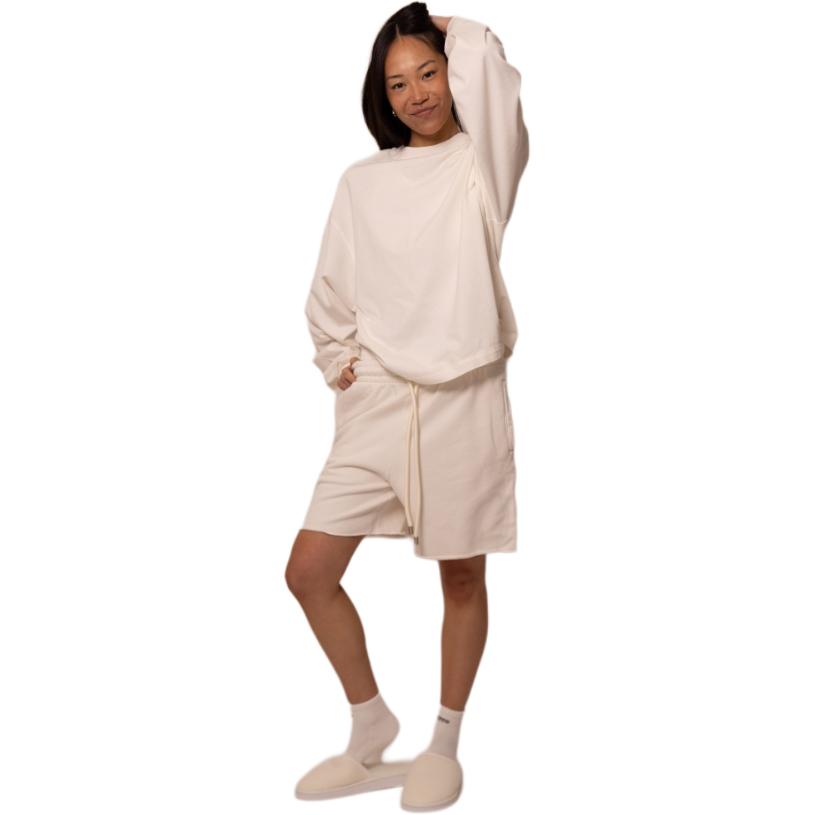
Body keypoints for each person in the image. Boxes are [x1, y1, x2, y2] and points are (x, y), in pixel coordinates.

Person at [285, 4, 529, 810]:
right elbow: (330, 288)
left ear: (452, 76)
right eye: (398, 83)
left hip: (463, 395)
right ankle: (369, 723)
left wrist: (436, 18)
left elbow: (490, 71)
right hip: (380, 400)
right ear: (381, 96)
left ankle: (444, 741)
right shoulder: (362, 181)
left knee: (460, 573)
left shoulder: (481, 164)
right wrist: (342, 364)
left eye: (429, 72)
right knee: (308, 571)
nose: (417, 93)